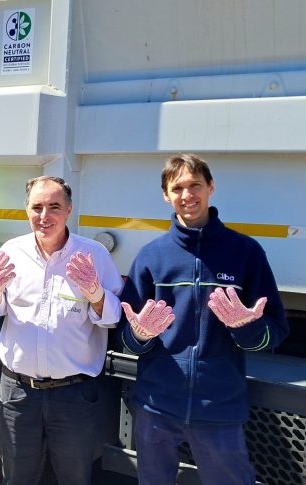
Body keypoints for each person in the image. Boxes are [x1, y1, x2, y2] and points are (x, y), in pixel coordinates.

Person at [119, 154, 289, 485]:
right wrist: (139, 334)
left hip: (219, 409)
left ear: (211, 187)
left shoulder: (245, 252)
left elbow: (275, 332)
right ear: (166, 195)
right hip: (157, 408)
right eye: (177, 187)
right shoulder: (152, 256)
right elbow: (126, 337)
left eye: (195, 185)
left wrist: (247, 326)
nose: (187, 195)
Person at [0, 176, 123, 485]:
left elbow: (112, 319)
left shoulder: (93, 255)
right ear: (26, 210)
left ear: (69, 210)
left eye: (54, 207)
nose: (45, 216)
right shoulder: (12, 252)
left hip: (74, 395)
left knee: (73, 477)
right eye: (37, 207)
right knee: (17, 477)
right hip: (18, 394)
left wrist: (96, 295)